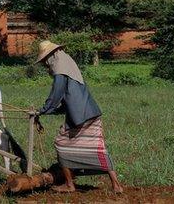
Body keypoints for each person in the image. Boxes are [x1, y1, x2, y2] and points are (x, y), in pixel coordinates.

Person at [34, 40, 123, 193]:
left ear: (50, 57)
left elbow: (57, 94)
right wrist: (48, 111)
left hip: (81, 117)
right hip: (91, 112)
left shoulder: (60, 70)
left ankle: (69, 184)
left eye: (44, 62)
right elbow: (71, 98)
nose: (45, 65)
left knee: (61, 143)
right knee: (98, 147)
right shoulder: (68, 65)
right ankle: (116, 185)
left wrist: (43, 110)